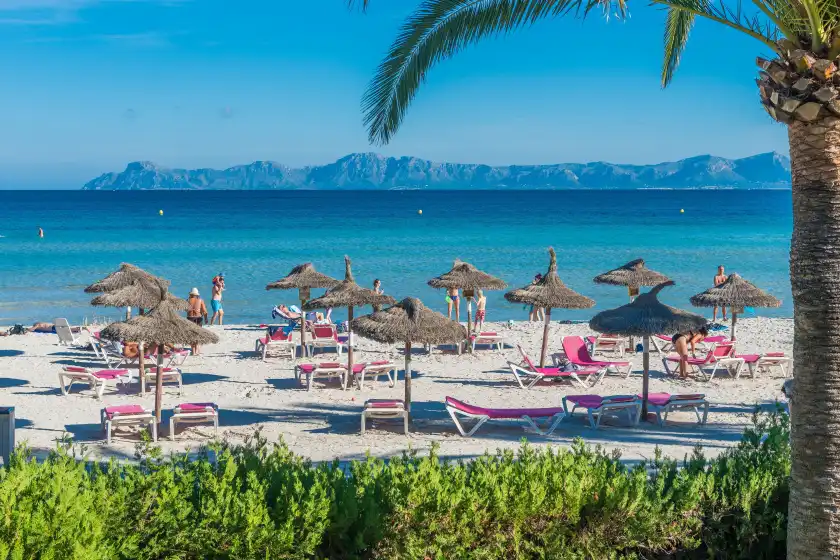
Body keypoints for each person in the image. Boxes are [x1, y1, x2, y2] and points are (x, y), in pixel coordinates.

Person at [186, 288, 208, 354]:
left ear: (191, 294)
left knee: (191, 334)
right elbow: (204, 311)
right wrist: (206, 319)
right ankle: (197, 350)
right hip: (198, 318)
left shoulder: (187, 300)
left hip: (190, 318)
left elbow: (186, 310)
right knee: (198, 333)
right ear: (197, 294)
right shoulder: (200, 300)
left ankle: (193, 351)